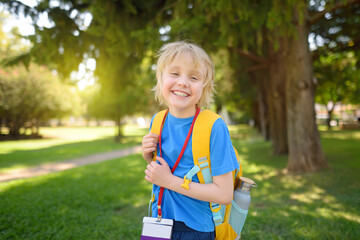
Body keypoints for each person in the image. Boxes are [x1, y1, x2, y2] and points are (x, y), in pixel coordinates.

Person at [142, 41, 239, 240]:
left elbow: (224, 194)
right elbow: (166, 170)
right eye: (174, 74)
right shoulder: (157, 121)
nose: (183, 82)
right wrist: (149, 157)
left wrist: (168, 181)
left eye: (193, 77)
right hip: (159, 218)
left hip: (195, 229)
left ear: (204, 87)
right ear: (160, 79)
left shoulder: (214, 126)